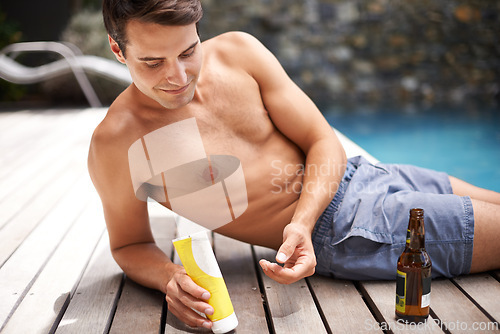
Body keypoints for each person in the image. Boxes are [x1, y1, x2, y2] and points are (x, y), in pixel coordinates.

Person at [88, 0, 500, 330]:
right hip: (344, 230)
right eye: (153, 62)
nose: (178, 75)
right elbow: (129, 244)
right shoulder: (117, 144)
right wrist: (167, 277)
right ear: (117, 48)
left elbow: (322, 140)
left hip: (363, 174)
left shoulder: (238, 53)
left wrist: (300, 220)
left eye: (188, 51)